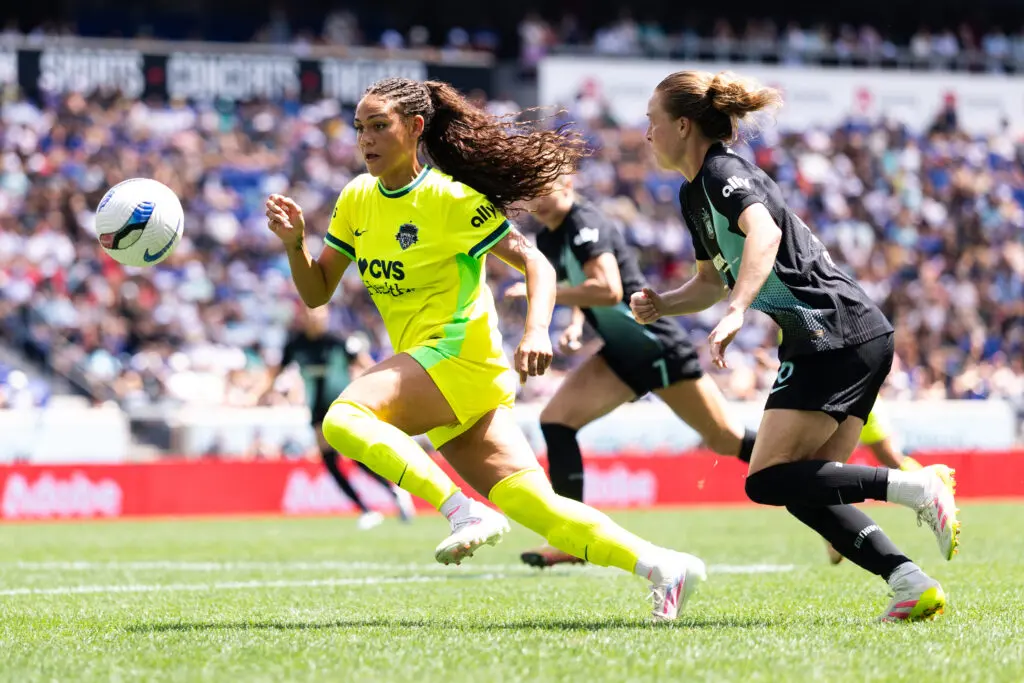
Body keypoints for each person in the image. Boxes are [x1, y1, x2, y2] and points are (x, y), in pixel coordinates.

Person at [265, 77, 705, 621]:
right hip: (442, 376)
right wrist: (293, 246)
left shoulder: (450, 199)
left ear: (415, 128)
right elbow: (317, 292)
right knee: (539, 509)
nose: (367, 139)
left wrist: (537, 329)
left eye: (379, 126)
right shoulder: (356, 198)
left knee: (342, 419)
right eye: (360, 128)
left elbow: (536, 264)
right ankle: (664, 566)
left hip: (457, 357)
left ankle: (461, 510)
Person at [630, 69, 960, 622]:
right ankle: (911, 583)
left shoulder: (721, 171)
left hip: (832, 331)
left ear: (682, 125)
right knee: (804, 487)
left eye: (652, 121)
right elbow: (710, 281)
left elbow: (764, 234)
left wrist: (738, 311)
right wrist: (664, 304)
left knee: (766, 479)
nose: (646, 133)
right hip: (848, 333)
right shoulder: (694, 194)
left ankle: (916, 484)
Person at [504, 176, 756, 568]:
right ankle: (572, 537)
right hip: (621, 352)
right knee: (555, 420)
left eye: (544, 187)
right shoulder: (551, 238)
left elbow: (608, 290)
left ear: (568, 184)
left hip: (653, 343)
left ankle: (816, 484)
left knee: (726, 439)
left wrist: (546, 294)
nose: (535, 197)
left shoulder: (586, 222)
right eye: (530, 189)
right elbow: (581, 283)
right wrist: (573, 323)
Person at [259, 304, 416, 528]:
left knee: (357, 456)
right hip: (317, 410)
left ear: (326, 315)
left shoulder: (338, 340)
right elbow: (276, 371)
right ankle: (365, 510)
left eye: (319, 313)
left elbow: (364, 363)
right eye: (310, 313)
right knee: (330, 462)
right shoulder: (295, 344)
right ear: (302, 316)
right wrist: (260, 393)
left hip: (342, 406)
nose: (314, 317)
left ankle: (394, 492)